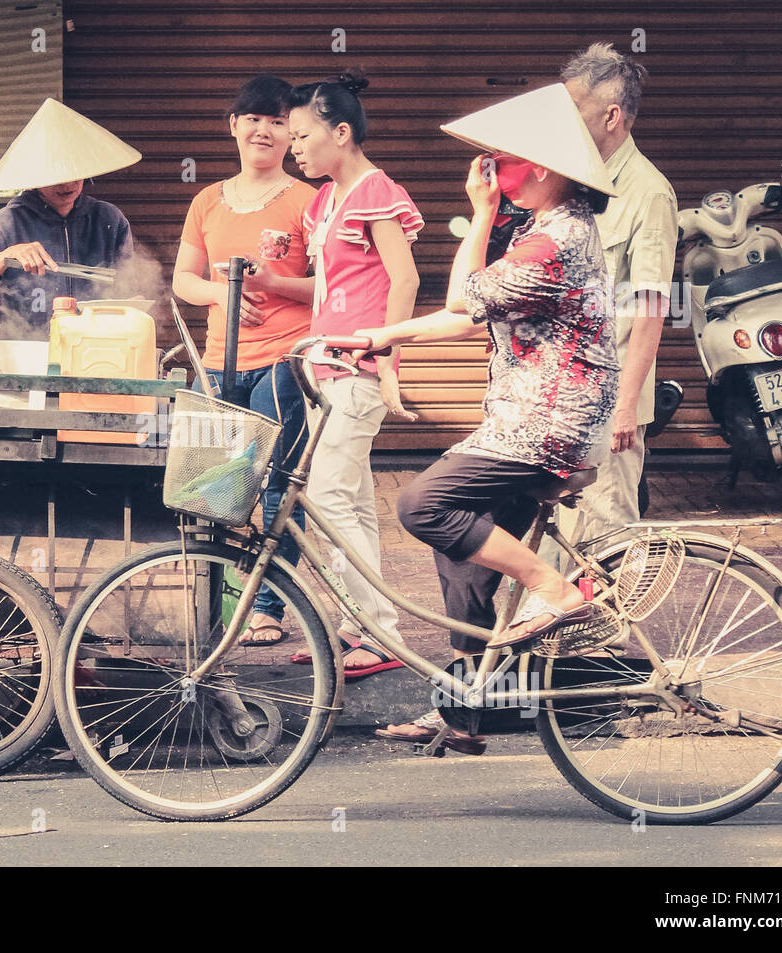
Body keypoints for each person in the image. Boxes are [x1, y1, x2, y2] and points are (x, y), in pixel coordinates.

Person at [357, 83, 621, 752]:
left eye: (501, 161)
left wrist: (479, 213)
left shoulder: (552, 242)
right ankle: (464, 711)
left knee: (421, 505)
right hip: (527, 418)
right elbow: (461, 316)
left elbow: (460, 297)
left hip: (546, 423)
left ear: (540, 168)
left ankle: (554, 588)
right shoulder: (542, 232)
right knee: (463, 555)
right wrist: (379, 338)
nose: (493, 173)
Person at [171, 76, 318, 646]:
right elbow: (186, 279)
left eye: (279, 121)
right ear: (233, 124)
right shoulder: (207, 199)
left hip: (285, 359)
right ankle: (216, 601)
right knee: (216, 484)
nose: (265, 130)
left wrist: (276, 284)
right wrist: (222, 294)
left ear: (292, 133)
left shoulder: (307, 201)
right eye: (254, 118)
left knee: (278, 485)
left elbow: (329, 285)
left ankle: (269, 607)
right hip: (218, 362)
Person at [287, 69, 422, 677]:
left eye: (301, 134)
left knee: (326, 498)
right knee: (355, 502)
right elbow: (332, 286)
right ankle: (362, 627)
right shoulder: (323, 200)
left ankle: (379, 632)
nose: (293, 145)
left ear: (340, 133)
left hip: (357, 367)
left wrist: (388, 361)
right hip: (325, 365)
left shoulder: (375, 190)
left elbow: (407, 279)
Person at [551, 43, 679, 555]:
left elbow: (649, 310)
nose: (566, 123)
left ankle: (608, 640)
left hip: (609, 401)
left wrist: (626, 407)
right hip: (562, 395)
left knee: (605, 541)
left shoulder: (648, 193)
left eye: (574, 111)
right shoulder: (576, 182)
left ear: (611, 115)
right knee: (554, 545)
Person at [0, 98, 140, 337]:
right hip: (23, 358)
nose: (67, 184)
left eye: (75, 172)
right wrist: (3, 258)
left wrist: (134, 304)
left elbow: (129, 288)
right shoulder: (3, 225)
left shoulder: (109, 220)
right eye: (55, 175)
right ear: (34, 177)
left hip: (93, 350)